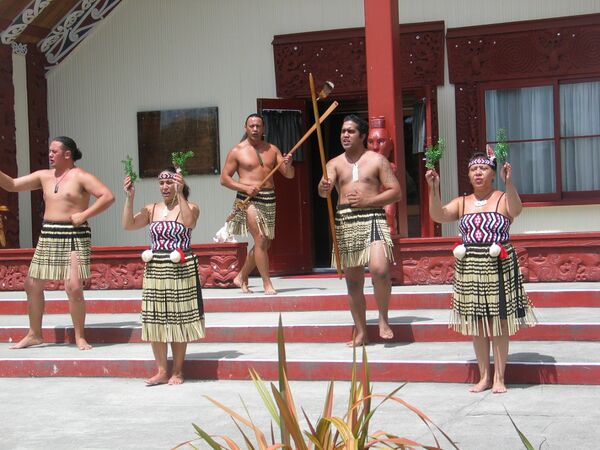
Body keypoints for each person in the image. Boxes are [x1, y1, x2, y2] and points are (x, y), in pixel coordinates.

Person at [425, 151, 537, 394]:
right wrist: (433, 188)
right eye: (473, 169)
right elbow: (438, 215)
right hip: (470, 268)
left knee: (499, 322)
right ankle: (484, 376)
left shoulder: (502, 198)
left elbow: (516, 210)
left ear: (493, 174)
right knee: (477, 323)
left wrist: (509, 183)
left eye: (483, 169)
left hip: (498, 266)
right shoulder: (462, 202)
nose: (478, 173)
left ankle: (499, 377)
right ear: (468, 175)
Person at [0, 136, 115, 350]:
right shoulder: (44, 176)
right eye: (50, 151)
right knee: (31, 285)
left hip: (74, 233)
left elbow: (107, 196)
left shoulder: (81, 176)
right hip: (49, 233)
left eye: (54, 151)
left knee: (74, 287)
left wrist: (84, 215)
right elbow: (12, 185)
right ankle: (35, 334)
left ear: (67, 154)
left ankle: (80, 336)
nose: (50, 154)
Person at [318, 114, 402, 346]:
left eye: (351, 131)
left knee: (380, 270)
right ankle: (362, 331)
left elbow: (396, 192)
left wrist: (368, 200)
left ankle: (383, 318)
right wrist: (324, 187)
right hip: (346, 220)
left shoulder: (377, 160)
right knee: (353, 282)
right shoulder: (334, 163)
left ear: (362, 135)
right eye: (343, 131)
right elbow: (323, 192)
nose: (345, 135)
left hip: (372, 217)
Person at [122, 166, 205, 385]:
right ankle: (161, 371)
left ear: (178, 183)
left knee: (178, 320)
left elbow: (189, 223)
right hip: (156, 268)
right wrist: (130, 198)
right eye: (161, 183)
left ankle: (177, 371)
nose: (165, 187)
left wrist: (180, 193)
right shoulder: (151, 209)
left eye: (169, 182)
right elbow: (128, 225)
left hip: (180, 269)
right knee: (155, 320)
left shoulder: (192, 207)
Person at [220, 113, 294, 295]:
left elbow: (289, 174)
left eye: (258, 126)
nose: (254, 129)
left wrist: (288, 164)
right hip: (248, 199)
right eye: (251, 126)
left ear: (263, 129)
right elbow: (224, 179)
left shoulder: (272, 149)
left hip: (268, 198)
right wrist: (245, 188)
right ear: (245, 128)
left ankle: (241, 276)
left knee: (265, 243)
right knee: (260, 239)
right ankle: (267, 284)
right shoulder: (237, 151)